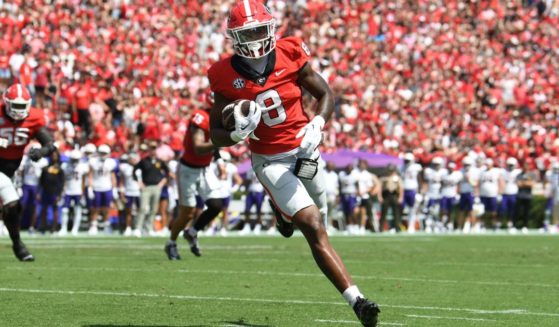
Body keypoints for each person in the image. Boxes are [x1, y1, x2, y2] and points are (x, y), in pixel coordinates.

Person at [207, 2, 379, 325]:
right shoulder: (223, 75)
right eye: (249, 32)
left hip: (305, 151)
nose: (257, 37)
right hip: (269, 160)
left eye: (260, 29)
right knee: (313, 226)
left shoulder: (290, 52)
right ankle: (358, 302)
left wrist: (318, 123)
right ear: (235, 37)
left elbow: (325, 93)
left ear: (271, 27)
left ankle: (282, 216)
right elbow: (215, 133)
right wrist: (235, 136)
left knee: (320, 221)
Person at [0, 83, 56, 261]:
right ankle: (18, 245)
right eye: (15, 106)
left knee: (14, 208)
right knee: (11, 202)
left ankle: (17, 244)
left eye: (22, 106)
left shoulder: (35, 118)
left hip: (10, 169)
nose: (18, 111)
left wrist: (41, 152)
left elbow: (50, 144)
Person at [164, 105, 223, 260]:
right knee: (187, 213)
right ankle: (171, 242)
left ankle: (192, 232)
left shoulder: (222, 116)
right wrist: (226, 140)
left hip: (206, 169)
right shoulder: (201, 117)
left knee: (216, 205)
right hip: (188, 169)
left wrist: (220, 158)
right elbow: (198, 147)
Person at [134, 141, 168, 236]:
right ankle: (138, 228)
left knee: (153, 209)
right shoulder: (144, 161)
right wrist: (139, 182)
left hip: (157, 188)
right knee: (143, 208)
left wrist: (162, 183)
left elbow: (167, 172)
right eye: (151, 148)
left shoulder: (159, 161)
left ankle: (148, 228)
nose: (153, 150)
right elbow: (135, 170)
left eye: (154, 148)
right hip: (146, 187)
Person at [17, 145, 48, 233]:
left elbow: (44, 177)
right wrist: (19, 185)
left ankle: (32, 226)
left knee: (35, 207)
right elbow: (21, 173)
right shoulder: (25, 159)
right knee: (22, 206)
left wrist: (41, 188)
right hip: (25, 185)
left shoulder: (43, 161)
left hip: (36, 185)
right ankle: (17, 226)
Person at [88, 144, 117, 235]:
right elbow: (90, 175)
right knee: (95, 208)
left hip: (107, 187)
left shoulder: (110, 162)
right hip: (96, 187)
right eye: (102, 153)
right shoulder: (93, 161)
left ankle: (106, 225)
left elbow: (112, 176)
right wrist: (90, 187)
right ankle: (94, 226)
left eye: (105, 153)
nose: (103, 155)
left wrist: (114, 188)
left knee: (106, 208)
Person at [60, 149, 89, 236]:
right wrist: (63, 190)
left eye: (76, 159)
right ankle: (63, 228)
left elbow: (84, 180)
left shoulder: (83, 166)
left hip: (78, 191)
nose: (75, 161)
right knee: (65, 210)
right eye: (73, 159)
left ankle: (75, 228)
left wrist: (82, 192)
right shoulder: (65, 166)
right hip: (67, 191)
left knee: (77, 210)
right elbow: (63, 179)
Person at [38, 150, 64, 233]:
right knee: (44, 209)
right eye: (52, 155)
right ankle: (43, 225)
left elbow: (62, 182)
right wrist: (39, 192)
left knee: (55, 208)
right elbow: (41, 181)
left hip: (54, 192)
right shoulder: (45, 168)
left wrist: (59, 194)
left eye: (55, 155)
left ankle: (54, 226)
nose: (53, 157)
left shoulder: (59, 168)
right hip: (45, 191)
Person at [118, 152, 141, 237]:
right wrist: (121, 191)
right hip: (129, 191)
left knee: (139, 211)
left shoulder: (140, 168)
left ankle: (137, 228)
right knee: (128, 211)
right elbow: (122, 181)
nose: (133, 160)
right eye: (132, 159)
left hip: (139, 192)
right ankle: (128, 228)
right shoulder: (125, 168)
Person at [422, 157, 447, 233]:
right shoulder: (429, 171)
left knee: (439, 211)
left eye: (438, 164)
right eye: (435, 164)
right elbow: (425, 182)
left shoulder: (444, 172)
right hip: (430, 193)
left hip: (440, 194)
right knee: (429, 211)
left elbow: (445, 183)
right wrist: (424, 192)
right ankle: (429, 226)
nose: (436, 166)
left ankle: (438, 225)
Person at [478, 158, 504, 230]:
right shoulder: (482, 172)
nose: (487, 166)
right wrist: (477, 194)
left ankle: (494, 224)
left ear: (492, 164)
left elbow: (501, 182)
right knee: (482, 211)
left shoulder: (496, 171)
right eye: (486, 164)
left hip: (493, 194)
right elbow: (478, 183)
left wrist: (500, 193)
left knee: (493, 211)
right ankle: (482, 224)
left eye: (489, 164)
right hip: (483, 194)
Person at [378, 164, 404, 233]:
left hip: (394, 195)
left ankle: (397, 227)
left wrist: (400, 197)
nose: (391, 172)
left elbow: (401, 188)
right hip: (386, 195)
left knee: (396, 212)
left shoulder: (397, 178)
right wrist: (380, 197)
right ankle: (381, 228)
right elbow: (380, 188)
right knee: (384, 213)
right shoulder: (384, 178)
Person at [241, 168, 266, 235]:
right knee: (247, 210)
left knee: (259, 211)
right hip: (251, 191)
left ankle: (258, 226)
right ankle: (247, 226)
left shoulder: (262, 169)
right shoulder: (250, 170)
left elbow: (265, 182)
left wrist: (265, 193)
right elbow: (248, 181)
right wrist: (244, 188)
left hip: (259, 192)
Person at [357, 160, 379, 234]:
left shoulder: (367, 175)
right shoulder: (356, 173)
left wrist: (363, 192)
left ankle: (374, 227)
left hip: (366, 196)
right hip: (358, 197)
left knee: (369, 213)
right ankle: (360, 227)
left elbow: (371, 186)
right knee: (359, 212)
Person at [401, 153, 422, 233]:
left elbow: (420, 179)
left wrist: (419, 191)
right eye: (405, 160)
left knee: (412, 209)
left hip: (412, 190)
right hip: (403, 190)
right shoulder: (402, 167)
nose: (406, 162)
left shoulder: (416, 167)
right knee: (402, 208)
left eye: (408, 160)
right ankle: (401, 226)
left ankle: (411, 226)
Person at [457, 157, 479, 232]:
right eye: (465, 165)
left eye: (468, 165)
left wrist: (469, 179)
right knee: (461, 211)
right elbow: (458, 183)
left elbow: (475, 183)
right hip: (463, 193)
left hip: (470, 193)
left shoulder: (474, 172)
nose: (466, 166)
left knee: (471, 210)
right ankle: (459, 227)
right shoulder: (460, 171)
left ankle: (473, 226)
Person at [515, 161, 537, 233]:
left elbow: (532, 184)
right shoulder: (519, 175)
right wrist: (526, 183)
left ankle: (525, 226)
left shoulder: (532, 174)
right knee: (517, 212)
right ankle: (515, 226)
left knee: (526, 212)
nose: (526, 167)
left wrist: (523, 183)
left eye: (527, 166)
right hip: (520, 195)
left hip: (528, 196)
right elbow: (518, 184)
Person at [500, 157, 521, 232]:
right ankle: (501, 224)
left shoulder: (518, 172)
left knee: (512, 210)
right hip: (505, 193)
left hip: (514, 193)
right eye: (509, 165)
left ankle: (511, 224)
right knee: (503, 209)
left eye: (512, 165)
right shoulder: (503, 172)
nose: (510, 166)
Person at [338, 164, 360, 234]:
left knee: (352, 211)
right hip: (344, 195)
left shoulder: (354, 176)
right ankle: (349, 227)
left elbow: (357, 185)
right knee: (346, 211)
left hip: (352, 195)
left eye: (350, 169)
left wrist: (358, 194)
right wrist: (339, 195)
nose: (349, 170)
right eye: (347, 168)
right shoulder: (342, 175)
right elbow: (340, 186)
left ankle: (356, 226)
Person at [440, 162, 461, 231]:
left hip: (452, 194)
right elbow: (441, 183)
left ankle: (449, 223)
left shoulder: (456, 175)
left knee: (451, 211)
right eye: (449, 168)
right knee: (443, 210)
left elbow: (458, 184)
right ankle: (442, 223)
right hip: (444, 194)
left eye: (452, 168)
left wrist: (458, 193)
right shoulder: (443, 174)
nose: (450, 169)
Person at [323, 161, 340, 231]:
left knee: (331, 211)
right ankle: (323, 226)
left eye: (332, 166)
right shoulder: (322, 173)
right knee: (323, 211)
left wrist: (337, 196)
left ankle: (329, 225)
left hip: (332, 196)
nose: (331, 167)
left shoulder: (335, 175)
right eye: (329, 165)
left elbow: (336, 187)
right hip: (323, 195)